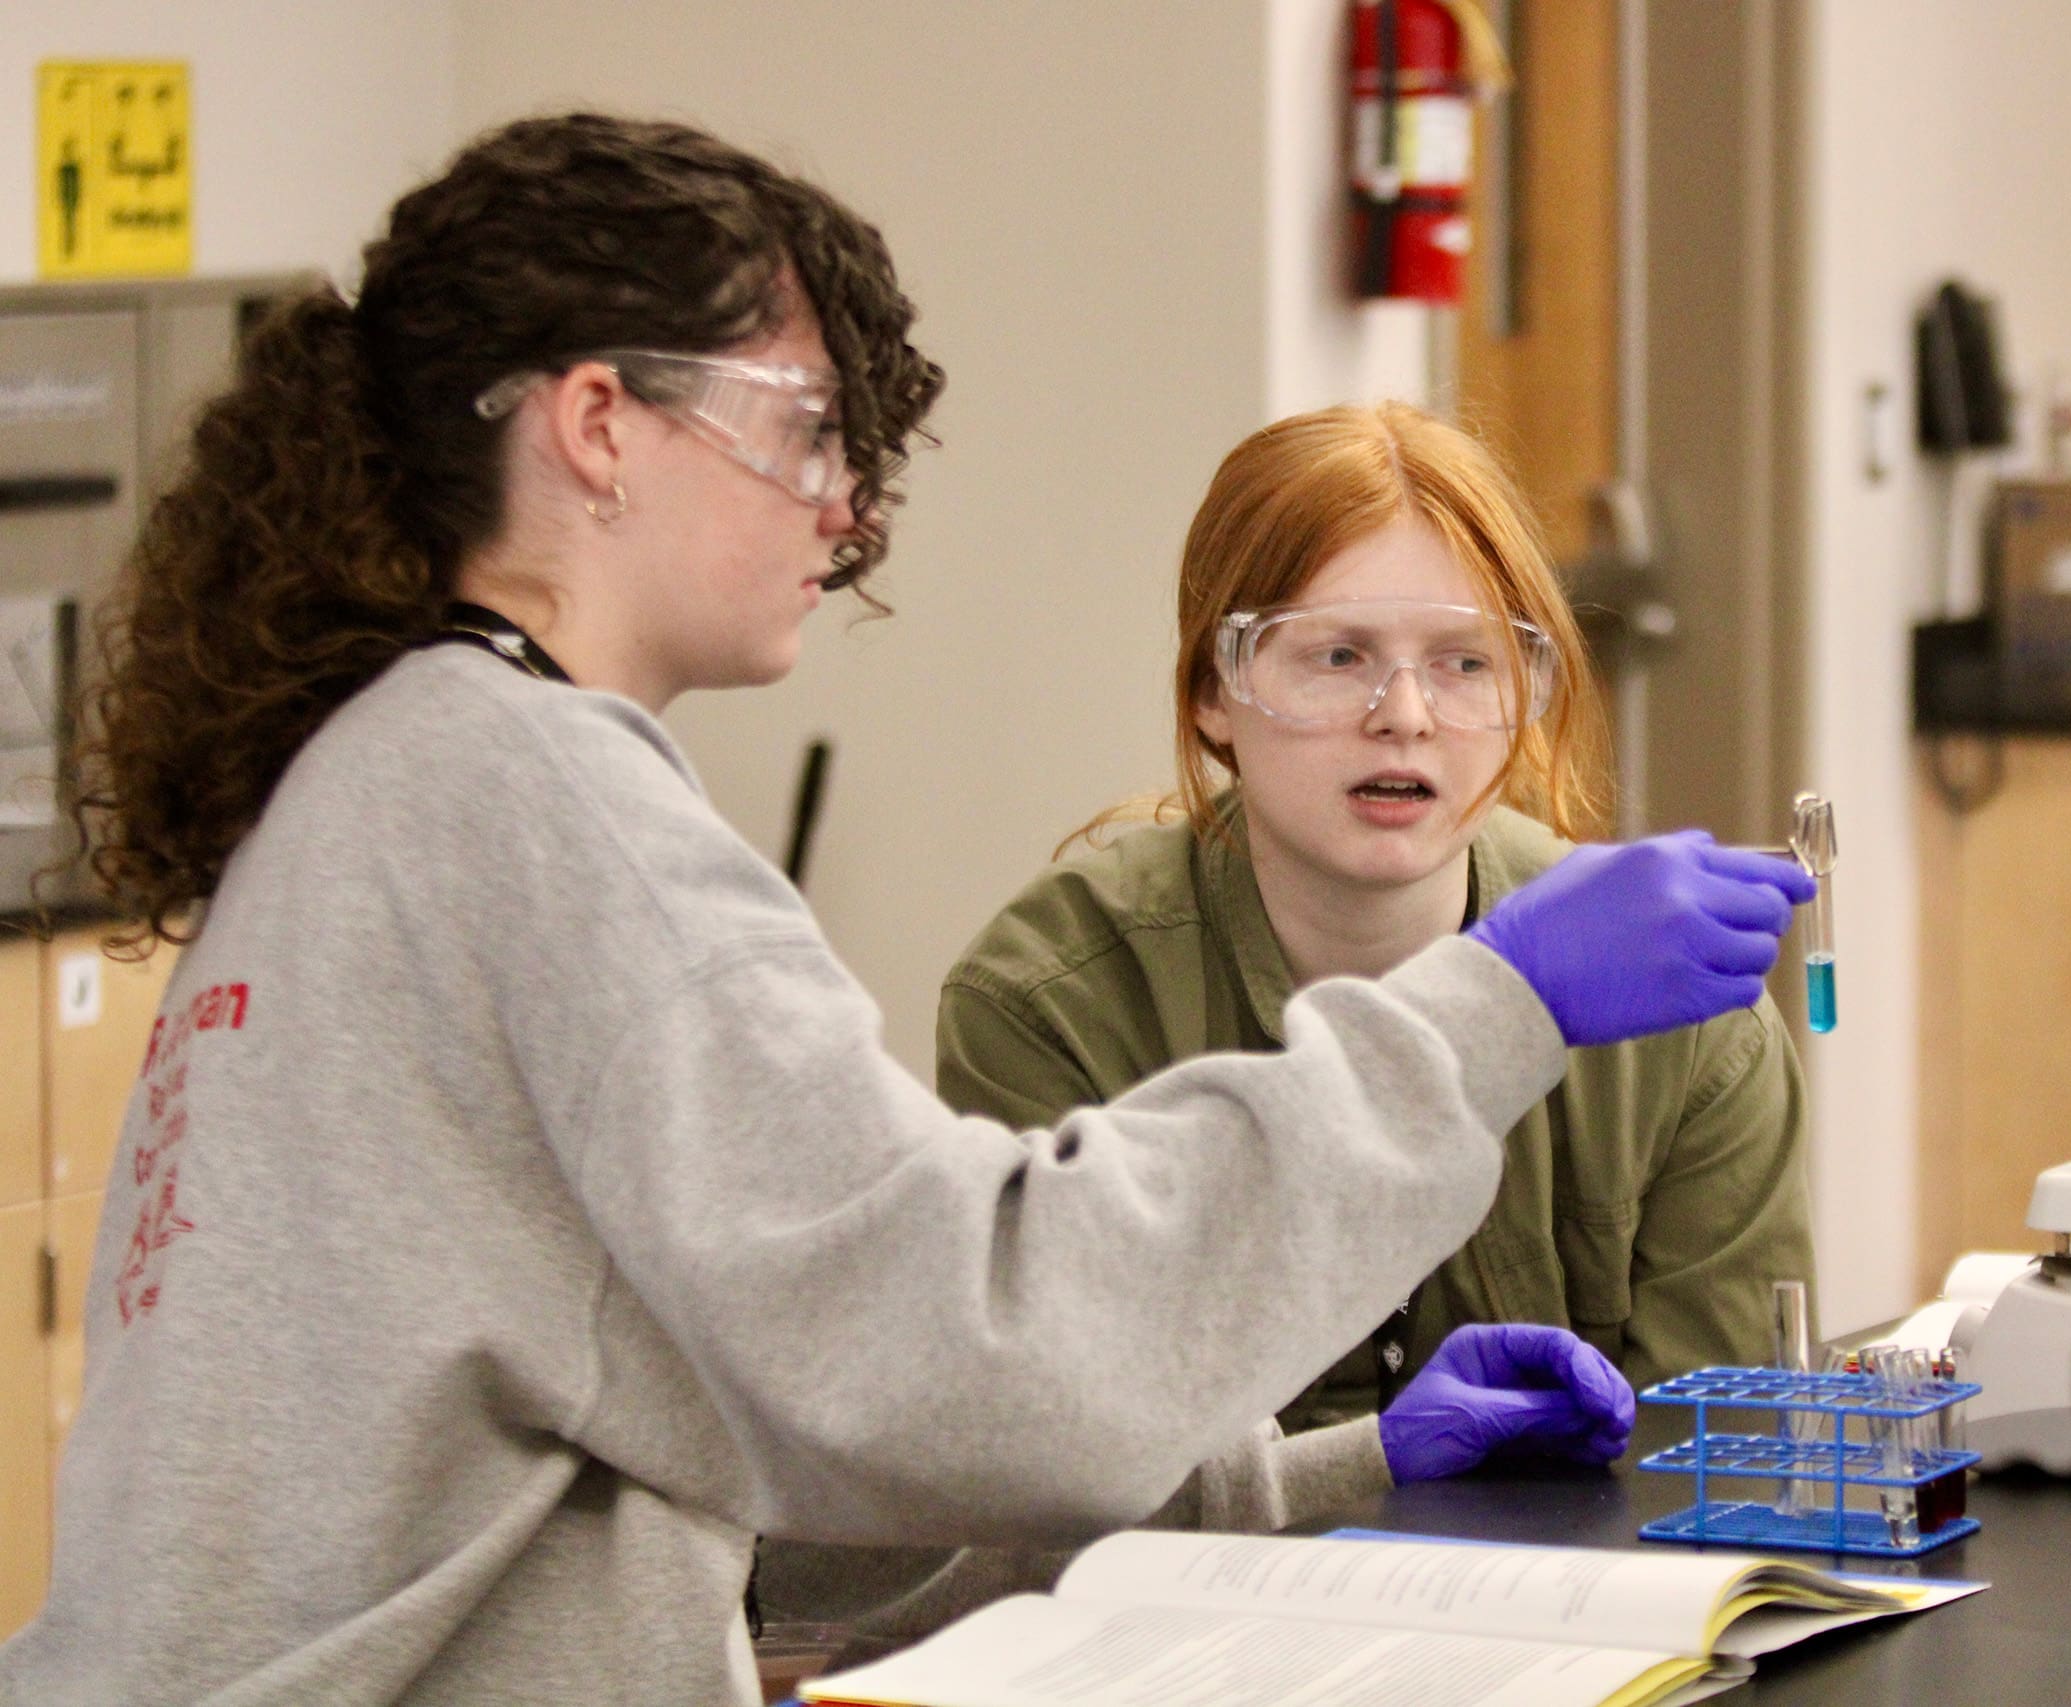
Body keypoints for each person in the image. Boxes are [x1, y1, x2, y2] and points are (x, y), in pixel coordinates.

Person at [0, 116, 1813, 1706]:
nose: (847, 503)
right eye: (800, 431)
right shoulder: (542, 802)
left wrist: (1331, 1476)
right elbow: (989, 1358)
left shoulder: (402, 770)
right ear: (599, 426)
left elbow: (802, 1454)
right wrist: (1495, 1003)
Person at [760, 403, 1818, 1650]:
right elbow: (1031, 1488)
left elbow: (1724, 1471)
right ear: (1215, 691)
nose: (1406, 715)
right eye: (1336, 657)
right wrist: (1366, 1461)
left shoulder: (1678, 1012)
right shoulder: (1052, 998)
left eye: (1467, 661)